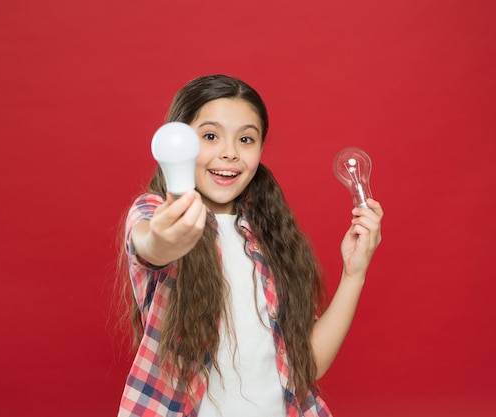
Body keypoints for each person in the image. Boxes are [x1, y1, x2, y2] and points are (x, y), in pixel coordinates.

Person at [117, 74, 384, 417]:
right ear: (179, 142)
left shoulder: (270, 234)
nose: (230, 153)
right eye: (210, 136)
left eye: (246, 139)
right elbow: (148, 243)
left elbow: (308, 366)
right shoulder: (154, 212)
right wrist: (166, 237)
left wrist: (354, 273)